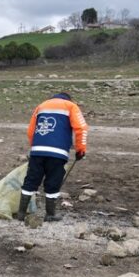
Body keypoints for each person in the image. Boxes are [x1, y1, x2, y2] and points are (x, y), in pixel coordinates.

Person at [16, 93, 89, 222]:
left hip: (37, 151)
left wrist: (34, 147)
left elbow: (31, 130)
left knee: (31, 180)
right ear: (68, 98)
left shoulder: (41, 106)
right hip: (58, 152)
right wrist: (81, 149)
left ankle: (21, 213)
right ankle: (50, 214)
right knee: (53, 182)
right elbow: (81, 128)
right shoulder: (71, 106)